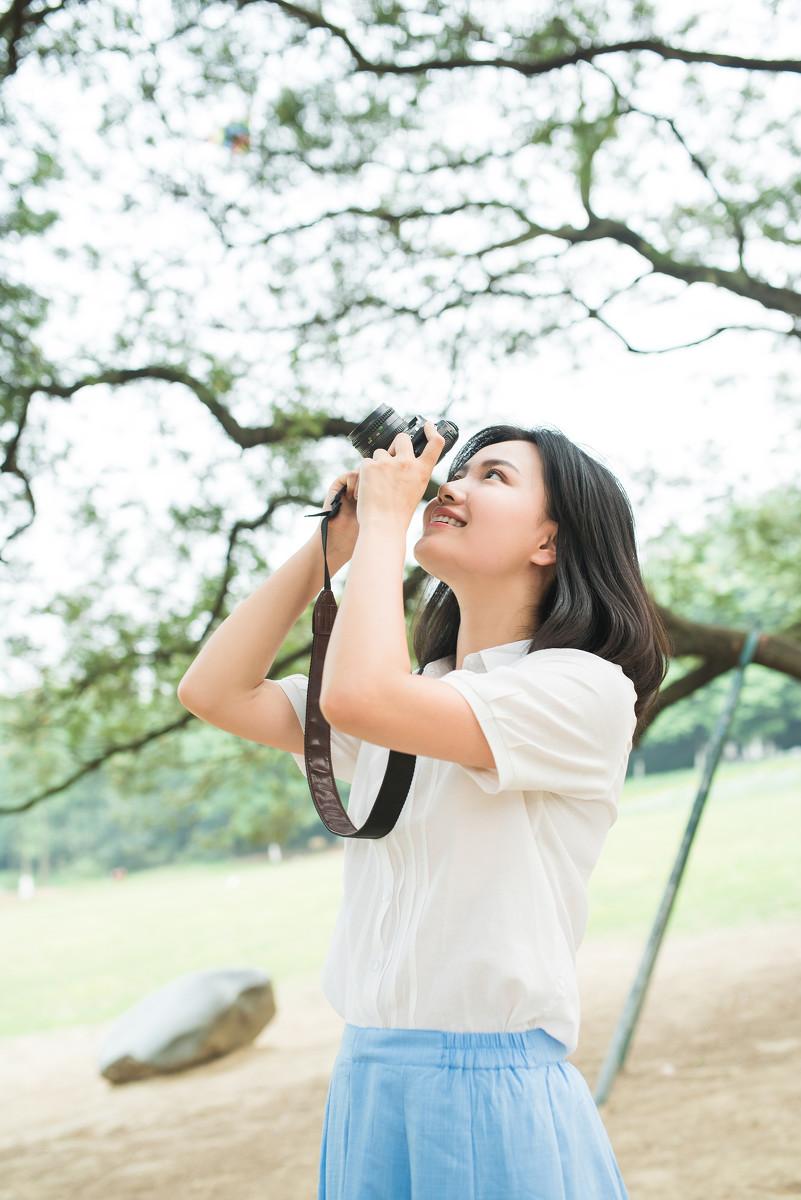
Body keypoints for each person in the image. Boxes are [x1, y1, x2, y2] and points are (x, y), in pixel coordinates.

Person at [177, 420, 669, 1199]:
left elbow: (360, 697)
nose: (451, 485)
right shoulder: (417, 700)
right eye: (456, 470)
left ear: (549, 540)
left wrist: (381, 524)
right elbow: (214, 692)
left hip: (489, 1091)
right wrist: (327, 552)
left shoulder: (582, 688)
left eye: (492, 477)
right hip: (366, 1081)